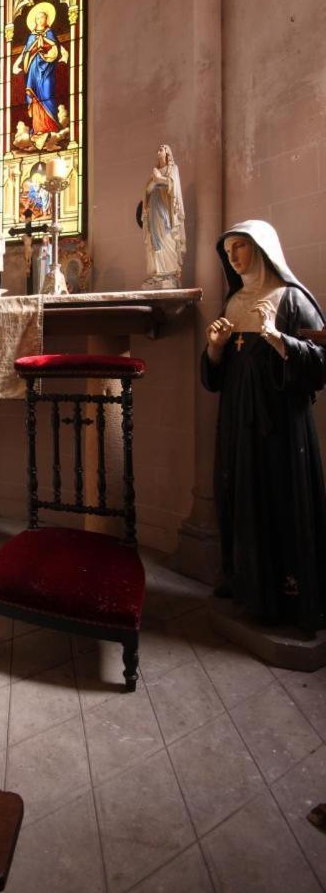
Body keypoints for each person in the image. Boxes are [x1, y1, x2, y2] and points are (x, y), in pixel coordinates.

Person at [202, 220, 326, 633]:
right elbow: (216, 375)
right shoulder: (234, 302)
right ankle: (245, 585)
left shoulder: (293, 299)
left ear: (262, 249)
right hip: (238, 422)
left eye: (241, 247)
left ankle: (289, 598)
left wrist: (278, 340)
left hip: (281, 430)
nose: (234, 257)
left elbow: (320, 363)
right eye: (229, 250)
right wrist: (215, 349)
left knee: (279, 500)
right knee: (239, 496)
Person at [12, 2, 68, 138]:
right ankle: (38, 128)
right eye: (37, 18)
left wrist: (52, 51)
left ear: (47, 19)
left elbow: (56, 48)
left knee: (47, 93)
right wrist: (18, 63)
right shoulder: (31, 36)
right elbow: (26, 52)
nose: (40, 20)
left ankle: (51, 126)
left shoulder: (50, 33)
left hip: (48, 69)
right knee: (35, 97)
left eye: (42, 17)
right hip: (33, 70)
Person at [141, 144, 186, 288]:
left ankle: (170, 272)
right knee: (155, 238)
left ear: (168, 153)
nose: (159, 151)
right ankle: (158, 272)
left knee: (167, 236)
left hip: (166, 209)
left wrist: (159, 179)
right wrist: (153, 183)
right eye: (158, 149)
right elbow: (146, 191)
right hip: (154, 208)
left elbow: (174, 186)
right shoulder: (155, 171)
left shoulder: (172, 169)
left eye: (162, 149)